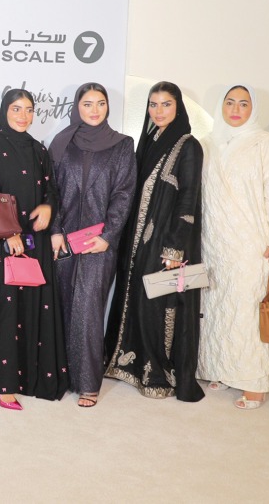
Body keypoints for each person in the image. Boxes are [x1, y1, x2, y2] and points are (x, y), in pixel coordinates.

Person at [104, 81, 204, 402]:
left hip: (166, 241)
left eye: (166, 104)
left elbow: (188, 198)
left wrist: (175, 248)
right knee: (134, 299)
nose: (158, 111)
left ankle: (156, 371)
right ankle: (127, 363)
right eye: (153, 104)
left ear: (178, 107)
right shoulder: (149, 140)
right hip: (138, 239)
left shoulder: (188, 145)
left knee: (157, 304)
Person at [197, 85, 269, 409]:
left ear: (254, 109)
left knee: (249, 309)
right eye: (230, 103)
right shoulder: (207, 143)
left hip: (253, 242)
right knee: (217, 307)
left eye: (243, 104)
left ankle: (254, 382)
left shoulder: (266, 143)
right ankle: (222, 368)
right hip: (214, 242)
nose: (235, 110)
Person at [48, 82, 135, 408]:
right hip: (64, 240)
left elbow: (124, 193)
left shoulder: (122, 145)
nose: (94, 110)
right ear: (77, 107)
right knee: (60, 306)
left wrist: (108, 235)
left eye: (100, 103)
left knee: (88, 308)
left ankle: (87, 383)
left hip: (99, 243)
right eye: (87, 104)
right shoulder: (61, 143)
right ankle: (60, 376)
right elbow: (51, 191)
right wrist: (55, 230)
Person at [0, 88, 67, 408]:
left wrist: (48, 206)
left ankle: (31, 376)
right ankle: (4, 384)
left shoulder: (38, 149)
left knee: (34, 306)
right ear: (4, 111)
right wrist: (8, 232)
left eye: (29, 110)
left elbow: (52, 188)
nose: (23, 116)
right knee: (7, 310)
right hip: (2, 241)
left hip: (35, 242)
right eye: (16, 109)